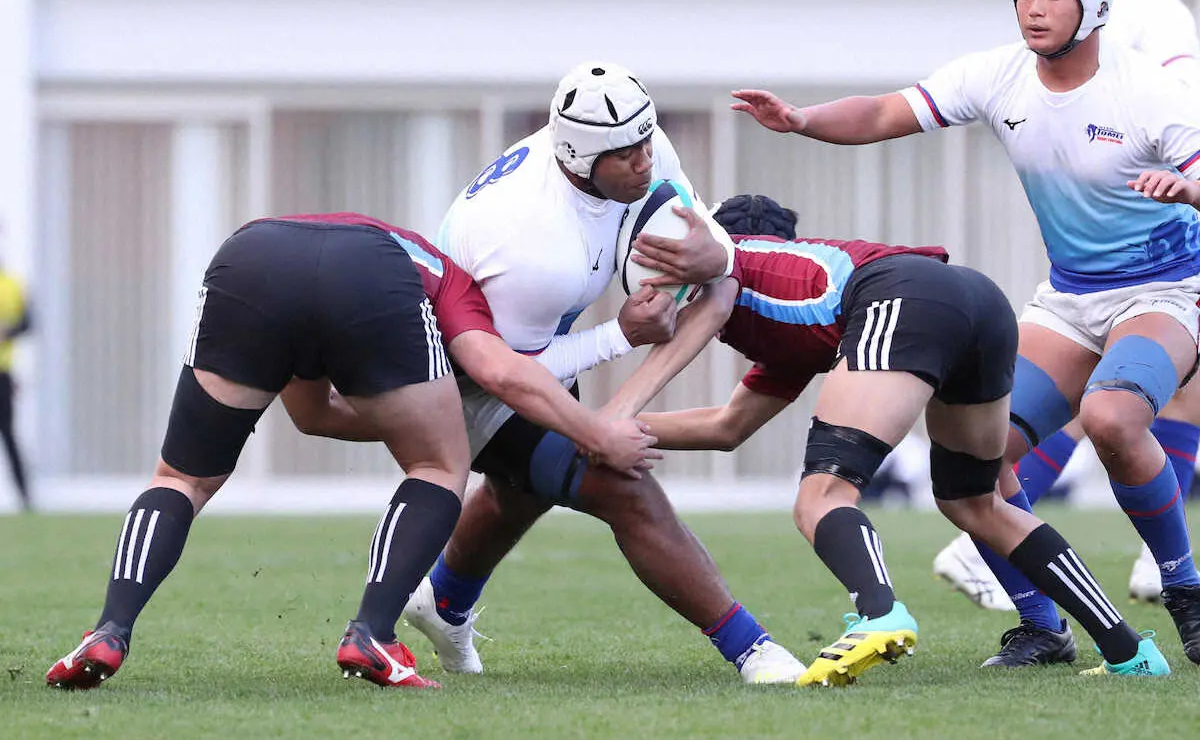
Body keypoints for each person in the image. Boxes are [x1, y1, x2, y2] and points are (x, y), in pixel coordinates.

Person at [730, 0, 1200, 668]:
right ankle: (1043, 626)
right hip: (1068, 301)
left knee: (1111, 417)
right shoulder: (998, 74)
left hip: (1167, 289)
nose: (1034, 8)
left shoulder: (1148, 91)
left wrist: (1186, 188)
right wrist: (801, 119)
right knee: (973, 465)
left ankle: (1184, 587)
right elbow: (887, 110)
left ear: (1096, 8)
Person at [45, 212, 661, 691]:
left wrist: (419, 417)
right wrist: (595, 427)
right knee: (439, 465)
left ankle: (108, 631)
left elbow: (312, 416)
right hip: (369, 273)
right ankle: (371, 634)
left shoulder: (372, 245)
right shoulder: (453, 280)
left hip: (250, 256)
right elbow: (500, 373)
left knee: (181, 476)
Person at [608, 192, 1170, 684]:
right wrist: (595, 430)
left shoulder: (729, 268)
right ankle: (1129, 651)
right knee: (976, 501)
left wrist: (616, 408)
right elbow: (727, 426)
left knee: (821, 496)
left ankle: (880, 614)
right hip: (975, 301)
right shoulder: (794, 315)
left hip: (900, 296)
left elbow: (719, 294)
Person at [400, 61, 807, 685]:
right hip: (457, 378)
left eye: (649, 141)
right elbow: (505, 375)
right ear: (576, 156)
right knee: (620, 481)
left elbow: (715, 260)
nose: (646, 162)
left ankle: (444, 599)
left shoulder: (634, 143)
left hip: (535, 344)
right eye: (626, 155)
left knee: (527, 483)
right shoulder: (528, 246)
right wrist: (617, 346)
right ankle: (753, 650)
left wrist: (715, 252)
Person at [933, 0, 1200, 614]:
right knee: (1121, 402)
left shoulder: (1139, 18)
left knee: (1121, 404)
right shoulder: (1153, 10)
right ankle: (1075, 586)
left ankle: (1162, 569)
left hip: (1162, 264)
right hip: (1111, 274)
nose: (1036, 6)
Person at [0, 258, 31, 512]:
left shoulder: (12, 285)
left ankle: (25, 497)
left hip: (3, 373)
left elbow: (28, 322)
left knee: (8, 436)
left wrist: (8, 331)